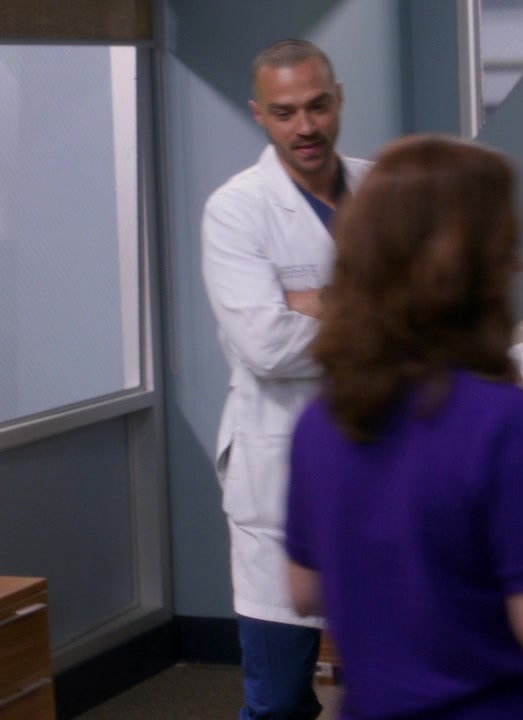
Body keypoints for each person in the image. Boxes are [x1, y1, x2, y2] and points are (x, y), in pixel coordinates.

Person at [285, 135, 523, 719]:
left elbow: (303, 590)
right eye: (507, 247)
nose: (518, 265)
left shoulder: (322, 420)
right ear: (468, 268)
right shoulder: (505, 424)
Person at [201, 39, 371, 719]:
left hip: (384, 465)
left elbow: (433, 309)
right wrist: (377, 310)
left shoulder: (384, 190)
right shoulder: (236, 209)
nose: (306, 126)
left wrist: (316, 303)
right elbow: (267, 345)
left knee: (398, 682)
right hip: (281, 473)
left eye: (318, 106)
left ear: (339, 99)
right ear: (259, 115)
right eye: (285, 112)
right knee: (277, 700)